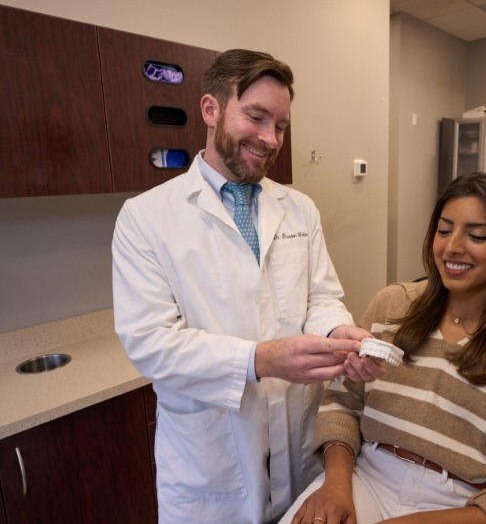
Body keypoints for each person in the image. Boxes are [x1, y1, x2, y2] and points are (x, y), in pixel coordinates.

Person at [112, 49, 383, 524]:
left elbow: (321, 297)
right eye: (256, 117)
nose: (270, 138)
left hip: (298, 451)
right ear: (211, 109)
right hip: (211, 468)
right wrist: (262, 359)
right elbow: (151, 344)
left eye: (280, 125)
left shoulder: (299, 209)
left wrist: (338, 332)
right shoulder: (146, 217)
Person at [281, 171, 486, 524]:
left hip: (465, 505)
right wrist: (334, 485)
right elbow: (343, 403)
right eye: (443, 230)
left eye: (477, 235)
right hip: (365, 477)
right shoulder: (391, 306)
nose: (452, 247)